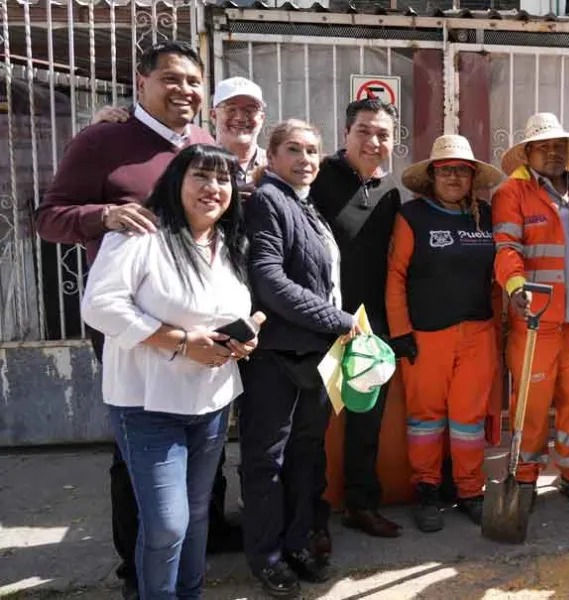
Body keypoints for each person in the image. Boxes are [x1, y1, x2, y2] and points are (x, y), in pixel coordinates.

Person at [34, 41, 217, 600]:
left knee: (198, 448)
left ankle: (181, 567)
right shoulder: (103, 141)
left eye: (193, 80)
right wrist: (103, 214)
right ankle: (137, 573)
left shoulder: (202, 144)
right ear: (140, 83)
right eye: (171, 78)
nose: (184, 89)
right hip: (132, 330)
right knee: (138, 449)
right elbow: (47, 217)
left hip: (202, 336)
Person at [79, 144, 255, 600]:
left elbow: (233, 312)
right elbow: (99, 306)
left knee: (197, 515)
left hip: (212, 402)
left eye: (223, 180)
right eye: (201, 175)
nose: (213, 188)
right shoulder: (140, 234)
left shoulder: (229, 244)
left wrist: (244, 337)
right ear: (176, 180)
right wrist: (178, 342)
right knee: (166, 523)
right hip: (146, 404)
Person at [240, 120, 362, 598]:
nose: (306, 159)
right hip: (277, 356)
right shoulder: (270, 200)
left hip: (313, 356)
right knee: (266, 460)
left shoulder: (304, 205)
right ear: (271, 157)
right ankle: (266, 557)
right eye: (293, 149)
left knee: (303, 457)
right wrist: (338, 320)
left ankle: (295, 544)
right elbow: (269, 280)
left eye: (312, 150)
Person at [386, 134, 505, 532]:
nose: (454, 176)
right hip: (425, 336)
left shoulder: (486, 216)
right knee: (425, 419)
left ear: (472, 177)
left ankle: (470, 490)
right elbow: (396, 276)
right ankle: (427, 492)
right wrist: (401, 332)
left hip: (478, 333)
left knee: (468, 419)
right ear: (433, 175)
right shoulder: (412, 216)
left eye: (462, 171)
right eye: (446, 170)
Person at [493, 112, 569, 512]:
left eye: (559, 146)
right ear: (528, 153)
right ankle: (524, 478)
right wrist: (515, 285)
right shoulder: (512, 194)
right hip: (537, 319)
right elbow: (506, 247)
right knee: (533, 401)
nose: (553, 153)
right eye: (544, 146)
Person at [308, 98, 404, 542]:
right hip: (321, 323)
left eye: (383, 133)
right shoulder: (318, 179)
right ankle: (309, 517)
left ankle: (360, 505)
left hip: (370, 327)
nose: (373, 141)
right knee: (313, 424)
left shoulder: (390, 192)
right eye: (364, 131)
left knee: (367, 420)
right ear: (345, 134)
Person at [90, 76, 268, 190]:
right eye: (230, 109)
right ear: (213, 115)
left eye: (250, 110)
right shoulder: (190, 160)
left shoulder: (275, 165)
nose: (240, 117)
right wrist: (101, 128)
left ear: (262, 117)